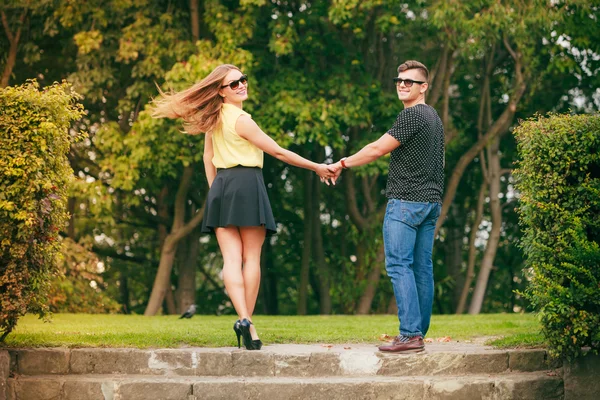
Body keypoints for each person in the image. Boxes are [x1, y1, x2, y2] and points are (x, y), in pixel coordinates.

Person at [152, 64, 334, 350]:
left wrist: (216, 192)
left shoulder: (212, 118)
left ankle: (245, 321)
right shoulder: (242, 119)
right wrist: (317, 167)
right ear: (221, 92)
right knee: (251, 258)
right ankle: (247, 321)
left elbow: (207, 158)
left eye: (243, 80)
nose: (241, 86)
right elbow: (277, 151)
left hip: (222, 185)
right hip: (248, 184)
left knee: (231, 260)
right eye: (234, 84)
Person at [329, 60, 444, 353]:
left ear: (424, 87)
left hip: (406, 203)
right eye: (399, 81)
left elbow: (377, 149)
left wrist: (341, 163)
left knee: (399, 265)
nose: (402, 85)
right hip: (430, 203)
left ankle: (410, 334)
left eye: (410, 81)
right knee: (421, 268)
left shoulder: (412, 116)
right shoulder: (433, 117)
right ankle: (417, 332)